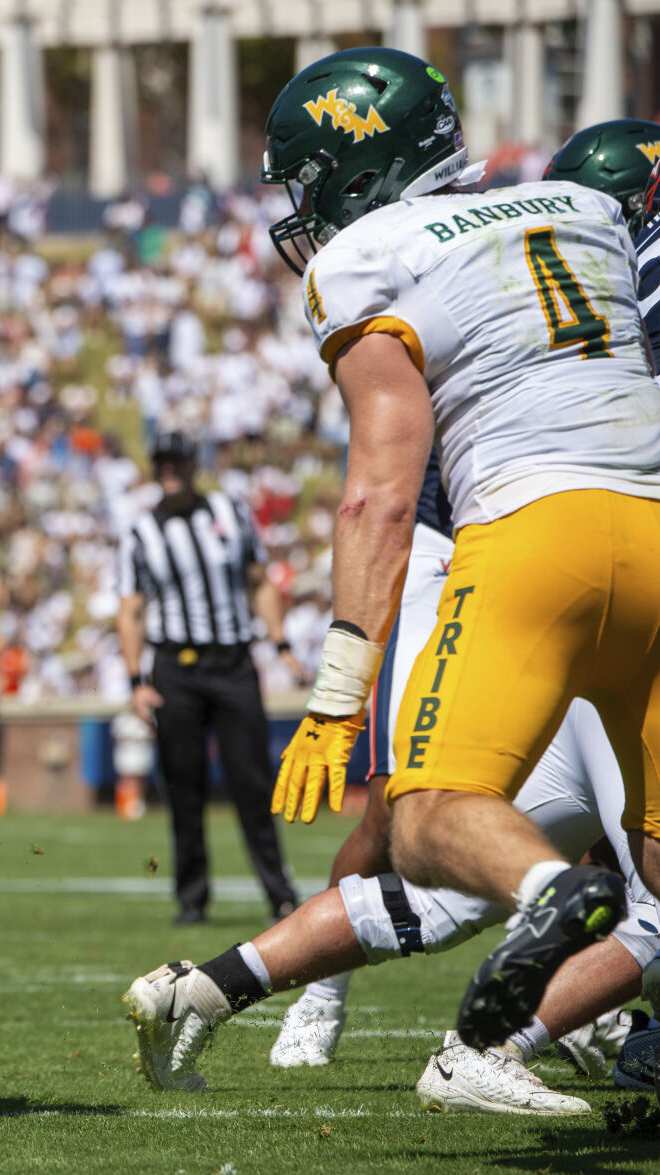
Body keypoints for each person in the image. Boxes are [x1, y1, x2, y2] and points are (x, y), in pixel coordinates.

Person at [263, 47, 660, 1050]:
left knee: (426, 811)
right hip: (654, 530)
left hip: (538, 538)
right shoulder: (586, 209)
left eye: (309, 181)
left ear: (357, 169)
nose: (305, 209)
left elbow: (381, 496)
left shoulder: (364, 257)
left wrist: (335, 696)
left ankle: (550, 891)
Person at [125, 463, 657, 1114]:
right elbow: (372, 499)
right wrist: (337, 699)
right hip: (542, 596)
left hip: (561, 613)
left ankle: (204, 988)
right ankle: (474, 1040)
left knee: (446, 895)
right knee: (401, 824)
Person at [115, 431, 302, 924]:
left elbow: (258, 581)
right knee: (184, 784)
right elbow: (130, 610)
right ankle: (191, 899)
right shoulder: (141, 531)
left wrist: (279, 642)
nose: (168, 469)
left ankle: (279, 892)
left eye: (176, 460)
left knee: (251, 781)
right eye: (161, 461)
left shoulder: (228, 511)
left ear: (193, 463)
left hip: (234, 662)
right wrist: (136, 681)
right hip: (175, 668)